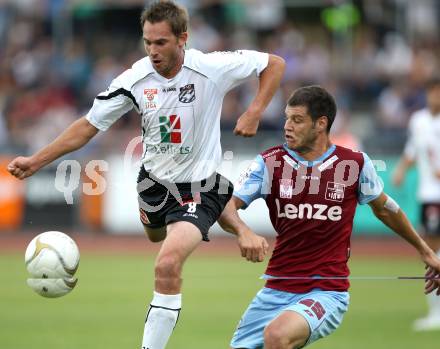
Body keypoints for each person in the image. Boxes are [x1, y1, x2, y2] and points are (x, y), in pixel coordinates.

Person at [7, 1, 284, 348]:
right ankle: (233, 224)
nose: (153, 51)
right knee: (157, 238)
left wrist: (255, 110)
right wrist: (36, 161)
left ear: (183, 38)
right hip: (153, 184)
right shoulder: (135, 78)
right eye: (148, 42)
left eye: (161, 43)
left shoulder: (211, 67)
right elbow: (88, 126)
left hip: (199, 187)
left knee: (166, 264)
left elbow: (274, 63)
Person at [218, 85, 440, 349]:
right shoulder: (270, 162)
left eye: (297, 120)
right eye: (287, 118)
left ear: (321, 123)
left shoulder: (354, 164)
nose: (287, 126)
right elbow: (225, 205)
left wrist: (425, 251)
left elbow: (385, 208)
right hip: (275, 289)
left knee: (277, 337)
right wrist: (243, 231)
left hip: (326, 292)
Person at [393, 76, 440, 331]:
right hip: (430, 195)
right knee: (431, 248)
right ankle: (435, 311)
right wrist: (401, 169)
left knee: (431, 250)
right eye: (434, 92)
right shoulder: (419, 120)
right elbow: (414, 149)